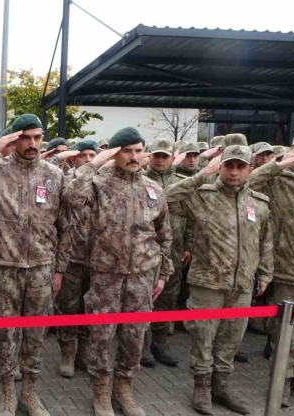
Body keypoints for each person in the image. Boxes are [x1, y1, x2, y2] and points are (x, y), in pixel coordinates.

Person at [0, 115, 67, 416]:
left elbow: (66, 225)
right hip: (4, 266)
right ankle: (7, 394)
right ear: (14, 139)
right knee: (6, 334)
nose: (32, 144)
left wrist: (59, 268)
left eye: (37, 137)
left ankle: (30, 394)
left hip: (41, 268)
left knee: (35, 335)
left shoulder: (54, 175)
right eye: (25, 137)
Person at [67, 127, 173, 416]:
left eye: (139, 150)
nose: (134, 156)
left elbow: (164, 234)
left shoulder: (153, 188)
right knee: (101, 336)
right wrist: (96, 162)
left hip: (142, 276)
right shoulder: (98, 183)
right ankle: (101, 391)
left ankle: (124, 388)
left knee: (134, 336)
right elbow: (72, 197)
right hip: (106, 276)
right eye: (127, 150)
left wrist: (163, 273)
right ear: (115, 154)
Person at [166, 145, 273, 415]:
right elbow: (166, 198)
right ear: (221, 166)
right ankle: (201, 388)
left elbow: (265, 241)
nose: (234, 172)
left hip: (242, 285)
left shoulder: (258, 203)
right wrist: (202, 175)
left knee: (230, 340)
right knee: (203, 338)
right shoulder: (201, 195)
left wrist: (266, 274)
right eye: (229, 166)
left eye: (240, 167)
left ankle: (221, 387)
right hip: (208, 283)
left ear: (250, 170)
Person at [249, 140, 294, 407]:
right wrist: (282, 163)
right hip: (289, 272)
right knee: (286, 334)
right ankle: (282, 382)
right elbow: (251, 182)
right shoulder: (285, 182)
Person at [136, 139, 192, 369]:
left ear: (172, 157)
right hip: (145, 253)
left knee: (167, 299)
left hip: (174, 252)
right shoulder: (140, 181)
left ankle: (160, 342)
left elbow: (190, 219)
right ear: (149, 156)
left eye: (165, 156)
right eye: (156, 155)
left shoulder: (183, 183)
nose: (160, 160)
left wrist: (188, 245)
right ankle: (141, 345)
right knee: (142, 301)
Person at [54, 139, 98, 378]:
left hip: (98, 260)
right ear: (73, 159)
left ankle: (84, 353)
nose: (89, 160)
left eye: (93, 155)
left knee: (90, 309)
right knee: (68, 308)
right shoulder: (65, 181)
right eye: (84, 155)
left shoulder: (102, 184)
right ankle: (67, 353)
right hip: (71, 257)